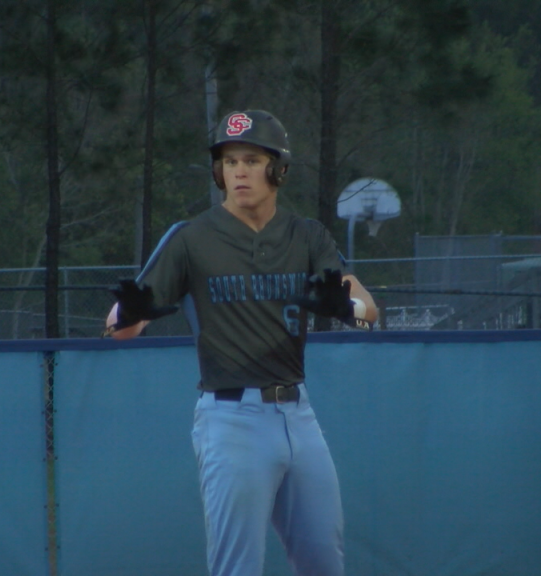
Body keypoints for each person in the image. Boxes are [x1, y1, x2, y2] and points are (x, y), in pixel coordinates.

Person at [104, 109, 378, 576]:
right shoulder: (191, 238)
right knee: (238, 568)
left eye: (251, 160)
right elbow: (119, 329)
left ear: (278, 169)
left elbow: (370, 312)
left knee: (325, 562)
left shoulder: (306, 234)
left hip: (298, 414)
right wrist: (127, 314)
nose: (239, 172)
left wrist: (347, 308)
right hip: (231, 418)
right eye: (229, 162)